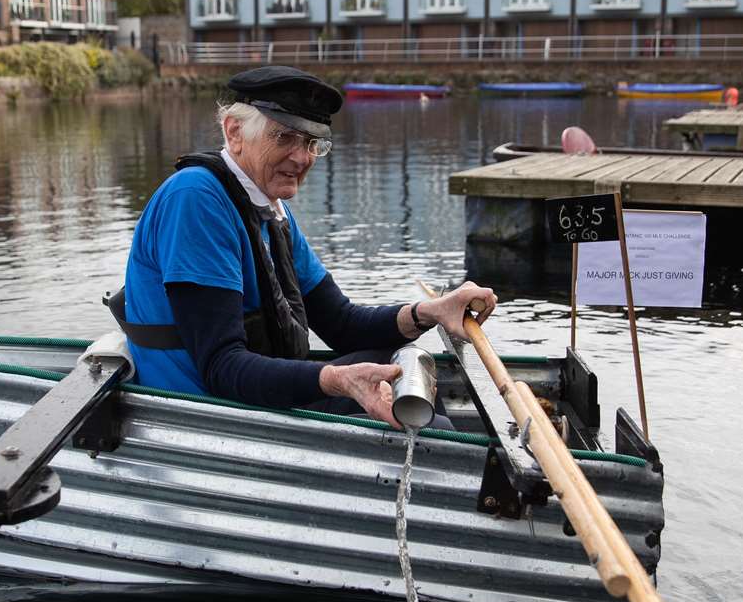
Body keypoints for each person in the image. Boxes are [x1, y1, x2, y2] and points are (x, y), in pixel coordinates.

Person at [110, 65, 496, 427]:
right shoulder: (196, 199)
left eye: (312, 142)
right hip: (205, 413)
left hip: (247, 396)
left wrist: (429, 311)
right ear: (234, 133)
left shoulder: (270, 209)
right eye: (284, 137)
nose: (302, 157)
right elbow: (221, 367)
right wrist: (337, 380)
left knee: (402, 369)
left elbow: (343, 326)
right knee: (436, 430)